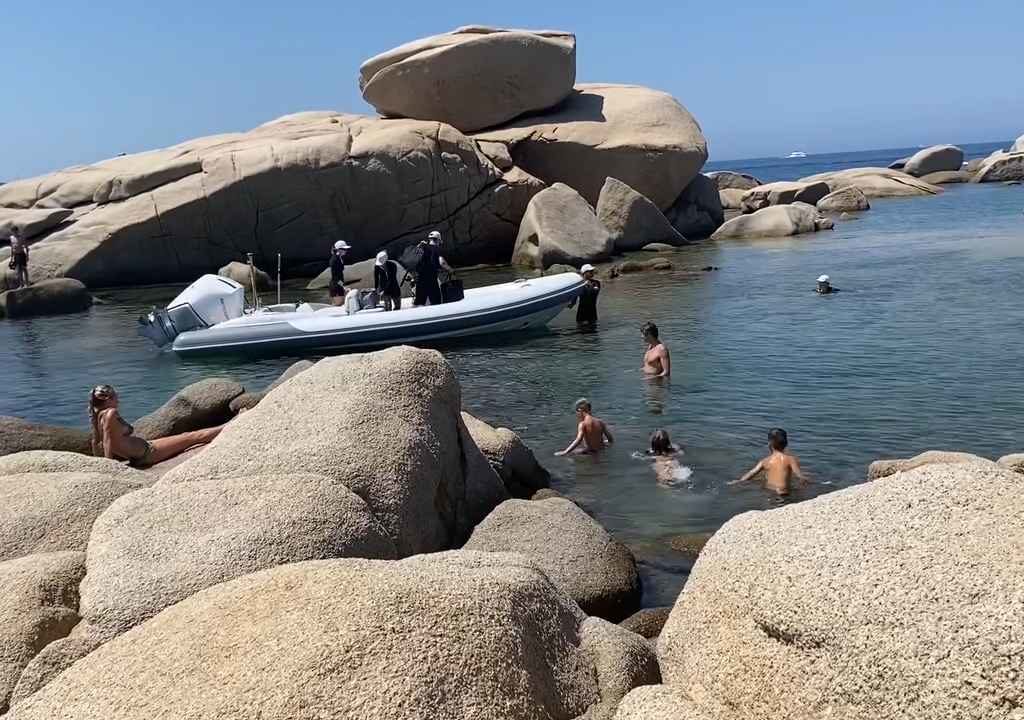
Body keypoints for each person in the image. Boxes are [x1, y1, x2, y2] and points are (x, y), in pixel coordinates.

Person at [88, 385, 224, 468]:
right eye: (116, 397)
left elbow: (96, 441)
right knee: (193, 437)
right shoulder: (111, 413)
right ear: (108, 399)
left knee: (185, 436)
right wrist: (108, 465)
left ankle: (227, 427)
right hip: (148, 453)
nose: (118, 400)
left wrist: (99, 463)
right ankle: (233, 427)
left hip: (140, 453)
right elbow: (107, 440)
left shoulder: (97, 415)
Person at [730, 428, 807, 495]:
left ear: (769, 444)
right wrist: (805, 481)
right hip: (784, 493)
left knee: (761, 480)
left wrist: (739, 481)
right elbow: (799, 475)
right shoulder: (790, 459)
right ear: (786, 443)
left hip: (769, 492)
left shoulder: (765, 461)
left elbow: (751, 473)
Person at [414, 230, 445, 306]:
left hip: (419, 278)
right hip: (431, 279)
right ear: (438, 240)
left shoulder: (421, 248)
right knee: (436, 301)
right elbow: (442, 263)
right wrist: (451, 270)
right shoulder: (435, 249)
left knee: (420, 302)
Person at [328, 240, 351, 306]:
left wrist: (342, 286)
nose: (346, 250)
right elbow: (335, 277)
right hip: (336, 285)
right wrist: (343, 286)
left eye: (346, 249)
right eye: (344, 249)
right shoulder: (335, 259)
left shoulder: (339, 258)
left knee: (340, 304)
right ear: (339, 249)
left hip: (339, 285)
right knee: (338, 305)